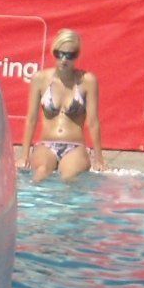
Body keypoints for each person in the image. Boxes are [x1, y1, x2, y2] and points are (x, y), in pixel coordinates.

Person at [17, 29, 104, 181]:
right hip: (46, 144)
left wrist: (99, 158)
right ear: (53, 52)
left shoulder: (87, 81)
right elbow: (31, 119)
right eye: (59, 54)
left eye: (70, 55)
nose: (64, 60)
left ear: (77, 55)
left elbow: (93, 122)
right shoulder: (40, 79)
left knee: (69, 177)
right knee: (40, 173)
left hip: (75, 146)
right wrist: (24, 156)